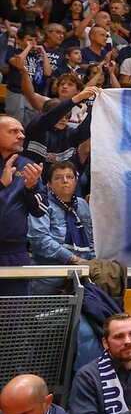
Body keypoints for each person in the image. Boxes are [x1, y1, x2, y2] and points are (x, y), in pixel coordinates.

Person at [27, 160, 94, 291]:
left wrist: (92, 263)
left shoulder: (82, 205)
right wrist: (73, 259)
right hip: (48, 277)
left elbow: (91, 238)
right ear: (49, 184)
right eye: (58, 178)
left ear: (76, 181)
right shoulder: (42, 203)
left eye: (69, 177)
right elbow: (40, 240)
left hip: (82, 274)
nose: (65, 181)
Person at [0, 113, 46, 295]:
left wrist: (31, 188)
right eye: (13, 131)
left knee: (14, 309)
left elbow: (40, 211)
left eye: (22, 131)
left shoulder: (29, 166)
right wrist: (2, 185)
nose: (21, 136)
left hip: (15, 253)